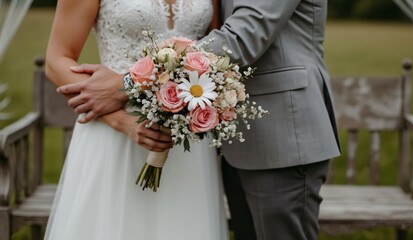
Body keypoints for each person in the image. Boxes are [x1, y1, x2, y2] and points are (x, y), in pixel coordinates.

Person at [58, 0, 341, 239]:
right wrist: (118, 118)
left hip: (274, 135)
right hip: (204, 137)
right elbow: (57, 56)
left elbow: (243, 35)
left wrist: (130, 83)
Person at [44, 0, 228, 240]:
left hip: (187, 141)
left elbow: (214, 50)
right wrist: (120, 121)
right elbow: (56, 60)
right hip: (114, 136)